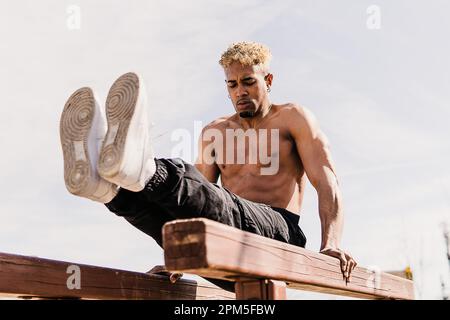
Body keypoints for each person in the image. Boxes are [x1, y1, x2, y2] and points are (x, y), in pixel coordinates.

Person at [59, 41, 356, 293]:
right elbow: (197, 199)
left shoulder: (294, 119)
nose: (240, 91)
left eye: (249, 81)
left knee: (219, 203)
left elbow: (327, 181)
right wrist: (178, 258)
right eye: (232, 84)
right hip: (224, 253)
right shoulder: (216, 132)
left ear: (268, 81)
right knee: (166, 208)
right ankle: (109, 190)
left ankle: (145, 170)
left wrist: (330, 244)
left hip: (279, 240)